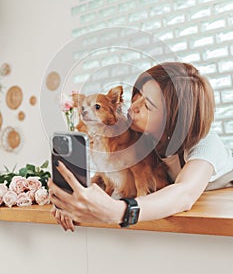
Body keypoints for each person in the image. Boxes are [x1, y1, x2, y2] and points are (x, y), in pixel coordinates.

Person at [48, 62, 233, 231]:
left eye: (148, 105)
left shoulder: (205, 142)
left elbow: (183, 194)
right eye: (138, 95)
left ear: (174, 121)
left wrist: (118, 211)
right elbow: (112, 172)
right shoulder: (140, 137)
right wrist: (72, 199)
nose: (134, 106)